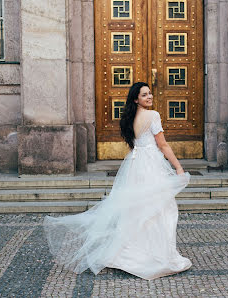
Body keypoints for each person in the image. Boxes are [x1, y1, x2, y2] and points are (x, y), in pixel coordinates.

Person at [43, 82, 192, 280]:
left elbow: (135, 145)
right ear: (135, 99)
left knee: (135, 209)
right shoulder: (153, 115)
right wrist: (178, 168)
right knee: (161, 209)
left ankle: (130, 253)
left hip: (134, 164)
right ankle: (156, 255)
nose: (150, 97)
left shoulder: (129, 118)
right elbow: (163, 145)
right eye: (145, 95)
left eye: (150, 94)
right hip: (150, 166)